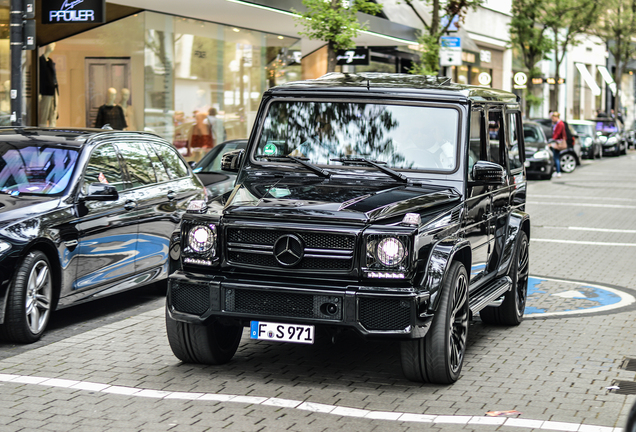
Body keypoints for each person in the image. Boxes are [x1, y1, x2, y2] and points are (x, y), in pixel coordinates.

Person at [39, 43, 58, 127]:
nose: (52, 47)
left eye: (54, 45)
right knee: (44, 113)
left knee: (53, 113)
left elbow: (53, 77)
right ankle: (41, 130)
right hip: (45, 92)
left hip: (53, 91)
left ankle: (52, 129)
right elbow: (41, 76)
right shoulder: (41, 61)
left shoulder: (50, 61)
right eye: (51, 45)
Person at [550, 112, 566, 178]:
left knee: (556, 157)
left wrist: (552, 139)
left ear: (557, 117)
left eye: (553, 118)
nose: (552, 119)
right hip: (557, 141)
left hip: (558, 142)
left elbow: (557, 133)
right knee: (556, 157)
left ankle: (558, 171)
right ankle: (557, 171)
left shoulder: (560, 124)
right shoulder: (557, 123)